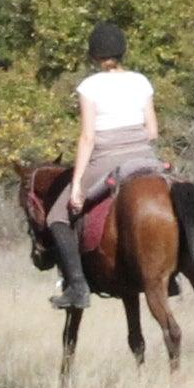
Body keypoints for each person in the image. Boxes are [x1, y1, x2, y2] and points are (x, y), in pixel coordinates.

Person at [50, 18, 164, 325]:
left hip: (106, 156)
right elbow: (152, 131)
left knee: (56, 217)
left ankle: (76, 286)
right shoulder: (141, 81)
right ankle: (170, 275)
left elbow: (87, 137)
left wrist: (76, 185)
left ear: (95, 54)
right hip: (144, 155)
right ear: (122, 51)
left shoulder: (90, 86)